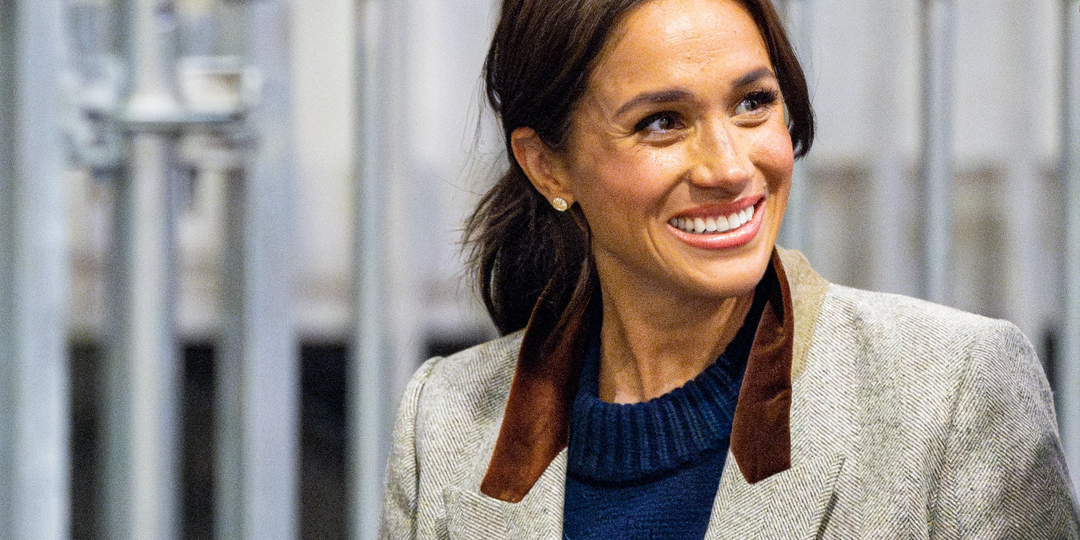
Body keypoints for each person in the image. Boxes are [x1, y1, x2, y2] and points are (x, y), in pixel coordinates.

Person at [379, 0, 1080, 537]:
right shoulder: (443, 423)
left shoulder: (952, 390)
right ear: (547, 166)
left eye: (753, 103)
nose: (729, 167)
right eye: (662, 121)